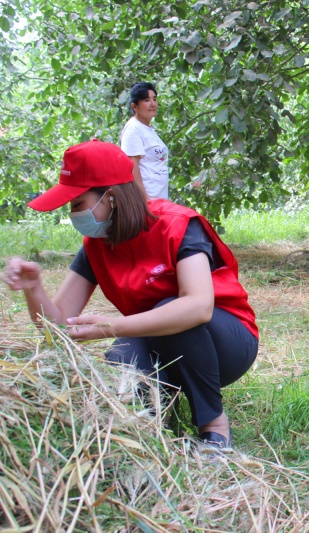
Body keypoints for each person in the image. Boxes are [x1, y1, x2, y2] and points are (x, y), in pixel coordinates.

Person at [2, 140, 257, 449]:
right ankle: (154, 422)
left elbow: (198, 307)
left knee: (170, 309)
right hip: (161, 341)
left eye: (77, 203)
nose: (73, 215)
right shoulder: (97, 247)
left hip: (226, 344)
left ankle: (214, 427)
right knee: (120, 360)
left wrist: (113, 326)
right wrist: (34, 287)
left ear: (110, 196)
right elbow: (58, 326)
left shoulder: (177, 226)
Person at [120, 82, 169, 200]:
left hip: (159, 198)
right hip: (147, 200)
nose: (152, 104)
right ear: (134, 106)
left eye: (154, 99)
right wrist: (145, 199)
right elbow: (132, 166)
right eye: (146, 100)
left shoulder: (147, 128)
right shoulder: (134, 129)